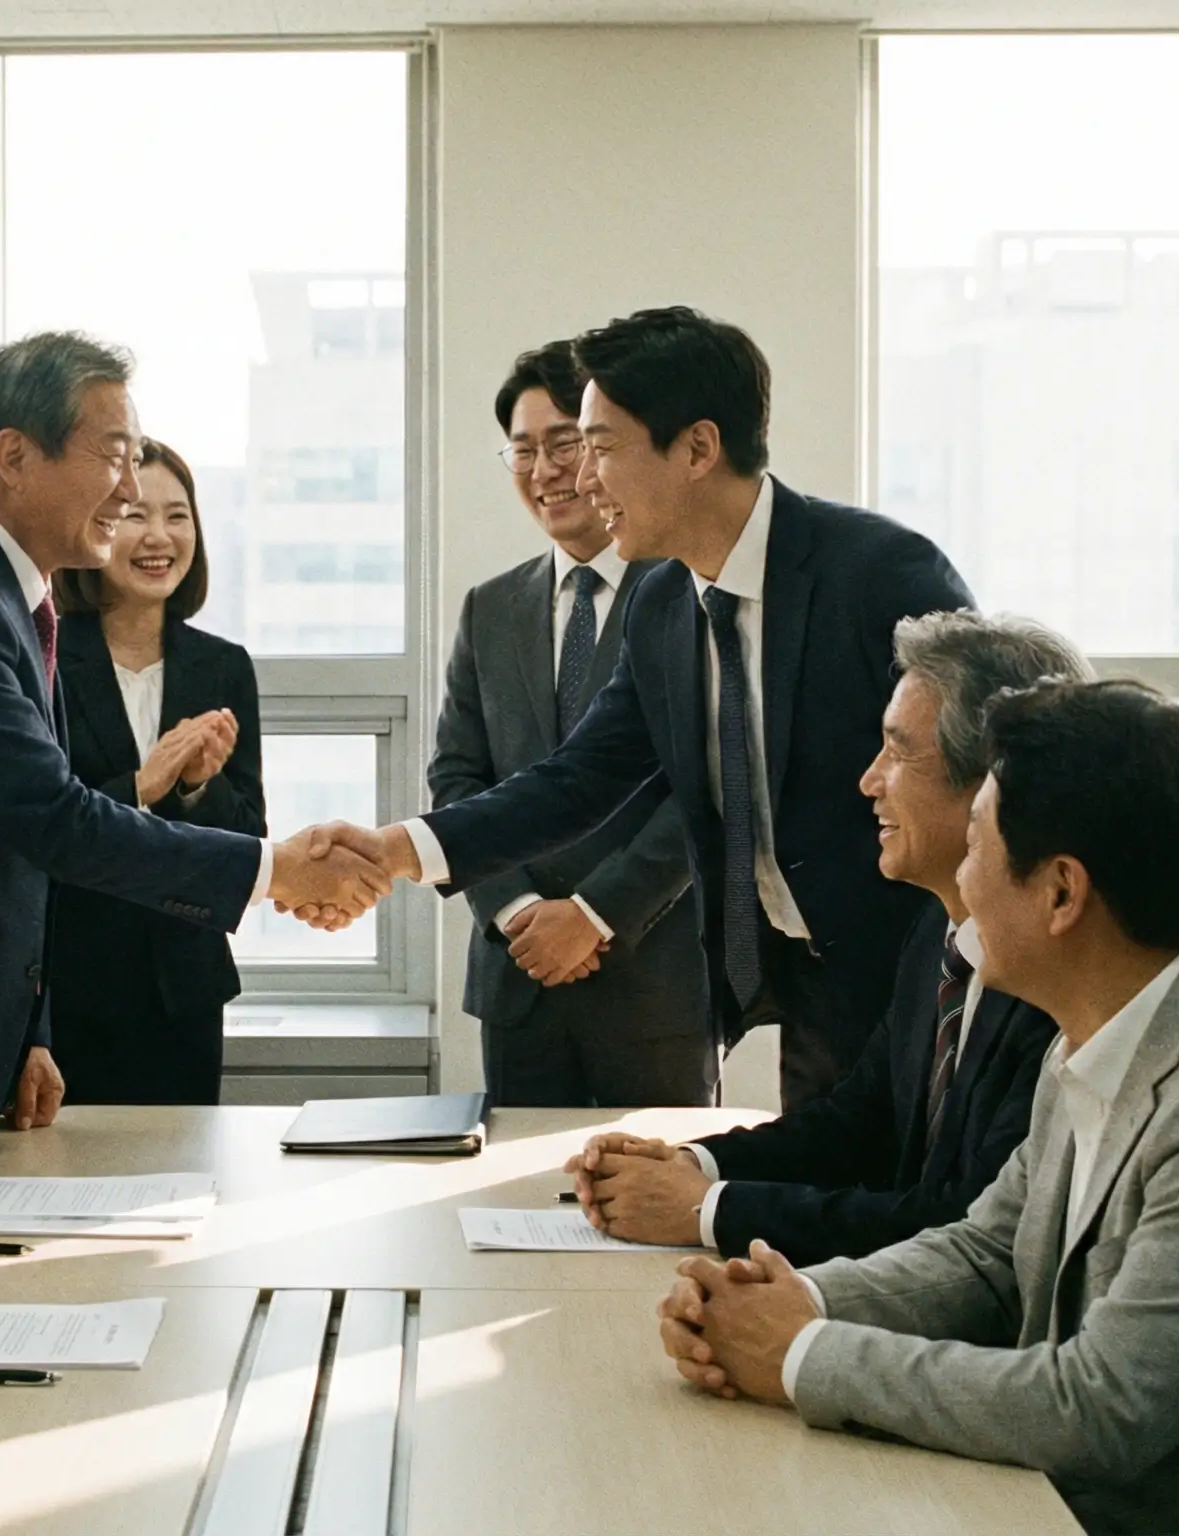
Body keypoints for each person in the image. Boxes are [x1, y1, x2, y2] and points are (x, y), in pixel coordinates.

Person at [656, 680, 1179, 1536]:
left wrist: (803, 1354)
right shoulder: (1102, 1031)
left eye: (978, 849)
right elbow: (989, 1254)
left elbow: (1101, 1407)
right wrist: (799, 1301)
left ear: (1062, 894)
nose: (960, 880)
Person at [316, 306, 975, 1108]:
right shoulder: (665, 601)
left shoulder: (882, 574)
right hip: (800, 978)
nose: (580, 480)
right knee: (813, 1192)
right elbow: (581, 779)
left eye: (598, 448)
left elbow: (977, 770)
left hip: (912, 972)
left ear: (697, 448)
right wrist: (395, 851)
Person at [0, 331, 389, 1157]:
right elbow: (55, 818)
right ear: (14, 455)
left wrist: (28, 1030)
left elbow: (14, 846)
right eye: (113, 456)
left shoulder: (1, 590)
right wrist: (277, 871)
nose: (129, 492)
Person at [570, 611, 1082, 1258]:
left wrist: (707, 1212)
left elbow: (960, 1228)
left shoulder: (1055, 978)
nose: (869, 781)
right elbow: (857, 1124)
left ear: (992, 783)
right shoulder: (937, 929)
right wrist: (691, 1165)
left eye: (898, 752)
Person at [432, 340, 708, 1106]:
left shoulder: (688, 592)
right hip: (517, 981)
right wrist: (520, 911)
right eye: (523, 451)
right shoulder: (490, 607)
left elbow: (709, 785)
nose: (546, 471)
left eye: (565, 445)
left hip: (656, 979)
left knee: (661, 1206)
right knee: (514, 1210)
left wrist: (594, 914)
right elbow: (458, 776)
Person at [45, 440, 265, 1103]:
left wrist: (197, 786)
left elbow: (250, 835)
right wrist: (142, 786)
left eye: (179, 516)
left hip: (185, 991)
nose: (159, 537)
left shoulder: (223, 668)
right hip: (70, 992)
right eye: (138, 515)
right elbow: (34, 831)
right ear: (100, 524)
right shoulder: (47, 655)